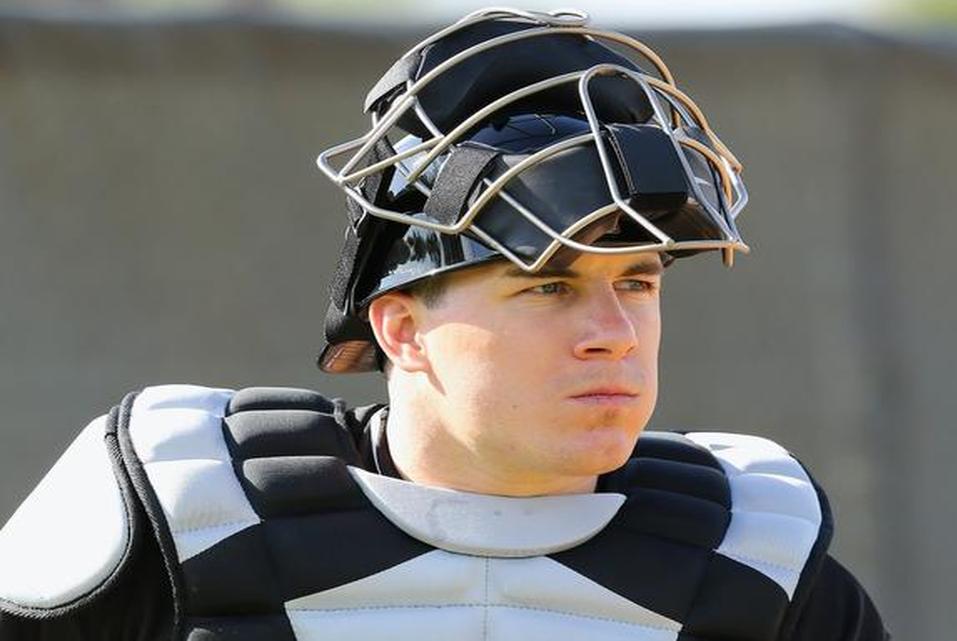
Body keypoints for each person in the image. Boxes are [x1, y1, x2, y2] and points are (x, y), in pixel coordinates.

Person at [0, 7, 889, 641]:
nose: (613, 331)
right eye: (548, 286)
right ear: (400, 328)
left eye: (639, 282)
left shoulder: (757, 558)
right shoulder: (176, 510)